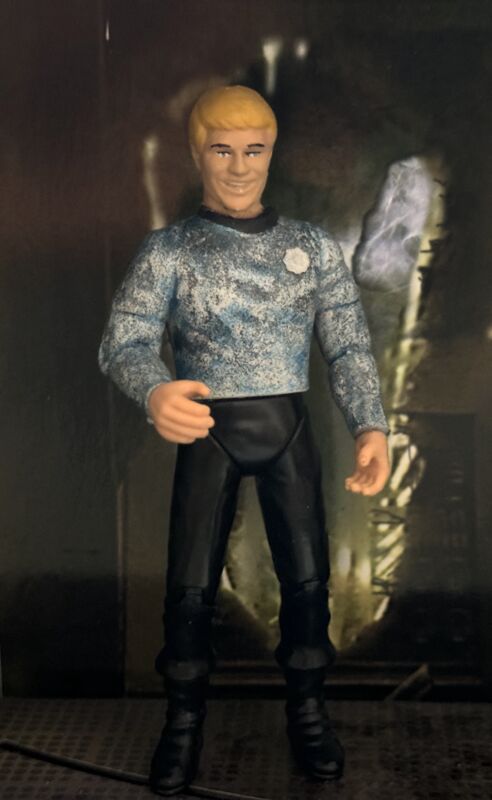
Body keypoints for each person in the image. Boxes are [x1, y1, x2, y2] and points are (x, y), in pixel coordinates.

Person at [99, 85, 390, 796]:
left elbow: (348, 345)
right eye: (222, 150)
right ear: (197, 154)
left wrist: (370, 424)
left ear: (272, 153)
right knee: (189, 587)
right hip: (209, 430)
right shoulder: (171, 249)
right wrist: (154, 390)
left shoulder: (311, 246)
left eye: (253, 150)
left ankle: (309, 709)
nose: (238, 166)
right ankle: (183, 720)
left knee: (308, 579)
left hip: (289, 427)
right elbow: (124, 341)